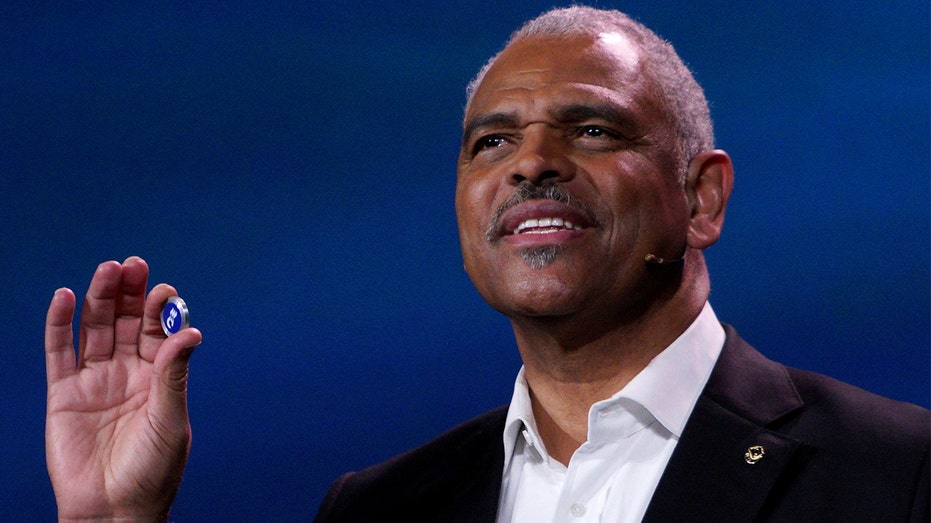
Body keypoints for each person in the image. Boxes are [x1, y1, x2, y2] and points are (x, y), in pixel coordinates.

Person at [44, 6, 928, 522]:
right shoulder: (378, 511)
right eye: (492, 140)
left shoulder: (896, 473)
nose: (529, 162)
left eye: (590, 128)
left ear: (700, 198)